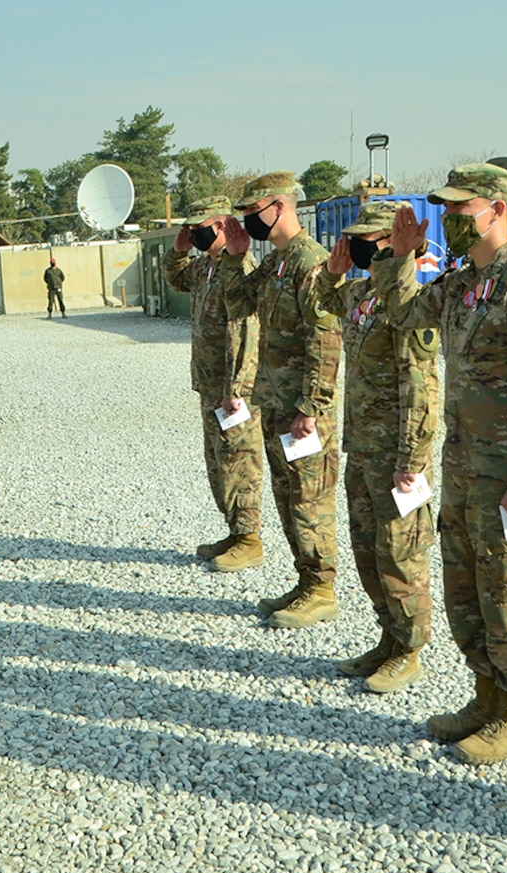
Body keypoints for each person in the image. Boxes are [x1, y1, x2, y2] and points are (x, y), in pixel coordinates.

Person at [370, 163, 507, 764]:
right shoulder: (464, 283)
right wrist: (399, 257)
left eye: (462, 210)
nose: (451, 221)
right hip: (463, 470)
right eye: (449, 211)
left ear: (498, 209)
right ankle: (485, 698)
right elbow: (404, 314)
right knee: (467, 592)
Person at [316, 202, 440, 693]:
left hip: (396, 456)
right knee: (367, 548)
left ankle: (409, 648)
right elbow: (320, 302)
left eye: (370, 239)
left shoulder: (410, 303)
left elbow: (421, 387)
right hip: (363, 447)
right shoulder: (363, 294)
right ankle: (388, 637)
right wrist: (332, 272)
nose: (361, 247)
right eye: (358, 239)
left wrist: (411, 460)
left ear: (396, 241)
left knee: (400, 552)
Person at [221, 172, 344, 628]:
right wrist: (236, 259)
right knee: (287, 495)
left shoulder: (310, 262)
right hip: (275, 403)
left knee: (311, 498)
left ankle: (322, 589)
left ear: (279, 206)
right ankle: (305, 580)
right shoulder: (276, 263)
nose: (249, 222)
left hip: (302, 411)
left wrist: (312, 406)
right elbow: (237, 305)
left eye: (253, 214)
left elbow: (325, 337)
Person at [162, 197, 265, 571]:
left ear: (221, 225)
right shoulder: (207, 266)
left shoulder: (239, 268)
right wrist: (177, 252)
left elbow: (245, 330)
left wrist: (236, 389)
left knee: (240, 460)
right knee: (219, 461)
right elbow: (176, 279)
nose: (194, 234)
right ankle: (235, 531)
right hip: (210, 385)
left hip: (232, 391)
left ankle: (250, 539)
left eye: (199, 227)